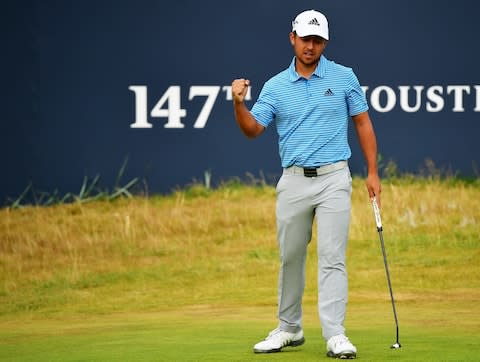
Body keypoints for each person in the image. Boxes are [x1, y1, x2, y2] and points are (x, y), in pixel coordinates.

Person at [231, 9, 381, 359]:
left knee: (332, 257)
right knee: (291, 257)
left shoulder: (344, 77)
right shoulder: (275, 86)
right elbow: (253, 129)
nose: (310, 46)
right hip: (294, 181)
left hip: (334, 178)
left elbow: (362, 123)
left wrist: (372, 172)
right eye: (305, 39)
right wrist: (238, 104)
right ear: (292, 38)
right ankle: (289, 329)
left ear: (325, 42)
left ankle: (336, 335)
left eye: (317, 40)